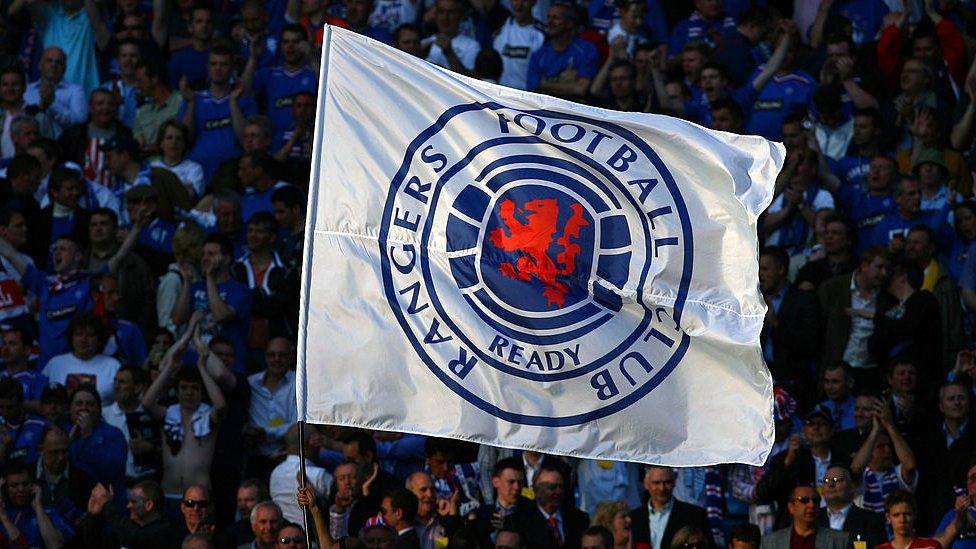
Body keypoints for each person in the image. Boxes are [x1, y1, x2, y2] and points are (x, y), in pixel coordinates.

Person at [141, 324, 226, 502]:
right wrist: (170, 366)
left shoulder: (208, 415)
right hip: (168, 493)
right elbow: (147, 403)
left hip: (200, 498)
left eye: (194, 388)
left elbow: (220, 406)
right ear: (177, 391)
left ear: (202, 392)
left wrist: (202, 367)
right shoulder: (168, 413)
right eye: (184, 388)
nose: (188, 392)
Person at [504, 464, 589, 549]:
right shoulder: (518, 522)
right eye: (552, 487)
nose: (558, 491)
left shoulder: (579, 519)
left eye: (561, 487)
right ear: (536, 489)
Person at [101, 365, 161, 482]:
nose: (116, 386)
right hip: (115, 487)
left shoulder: (152, 413)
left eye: (122, 382)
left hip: (148, 484)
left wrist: (151, 448)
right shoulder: (103, 415)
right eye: (115, 381)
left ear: (137, 387)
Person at [526, 3, 597, 101]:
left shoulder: (586, 50)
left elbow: (580, 89)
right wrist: (567, 84)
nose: (550, 22)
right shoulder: (539, 54)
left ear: (569, 23)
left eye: (556, 18)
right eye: (548, 17)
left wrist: (545, 83)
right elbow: (533, 88)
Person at [82, 479, 179, 548]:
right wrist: (92, 516)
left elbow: (136, 537)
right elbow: (94, 544)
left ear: (149, 505)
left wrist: (106, 504)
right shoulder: (128, 528)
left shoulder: (165, 530)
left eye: (133, 501)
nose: (128, 506)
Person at [269, 423, 331, 525]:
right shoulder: (318, 475)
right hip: (311, 538)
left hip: (283, 536)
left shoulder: (275, 473)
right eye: (318, 440)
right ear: (311, 442)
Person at [0, 460, 71, 547]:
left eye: (25, 484)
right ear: (4, 488)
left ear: (34, 485)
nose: (21, 489)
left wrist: (38, 508)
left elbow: (56, 545)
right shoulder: (3, 514)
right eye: (14, 485)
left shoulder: (49, 512)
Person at [815, 464, 886, 547]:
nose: (830, 484)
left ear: (852, 487)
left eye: (837, 480)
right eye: (826, 481)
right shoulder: (814, 517)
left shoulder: (871, 520)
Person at [759, 485, 848, 549]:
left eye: (816, 500)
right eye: (804, 500)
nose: (811, 505)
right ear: (791, 507)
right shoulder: (770, 543)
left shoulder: (841, 541)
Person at [492, 0, 544, 90]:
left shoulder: (542, 35)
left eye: (524, 0)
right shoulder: (499, 30)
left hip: (527, 97)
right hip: (500, 96)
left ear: (534, 2)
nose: (519, 4)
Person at [878, 490, 948, 549]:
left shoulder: (931, 547)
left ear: (914, 514)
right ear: (888, 517)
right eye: (896, 515)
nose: (902, 520)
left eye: (907, 514)